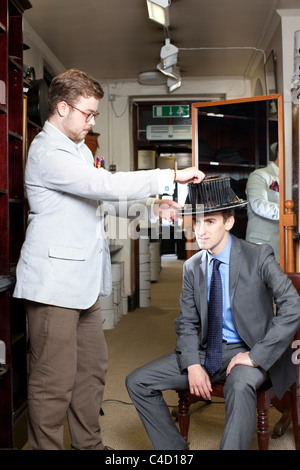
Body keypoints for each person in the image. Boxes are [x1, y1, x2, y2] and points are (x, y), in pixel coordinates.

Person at [13, 68, 205, 450]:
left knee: (91, 373)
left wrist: (155, 207)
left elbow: (100, 200)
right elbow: (102, 185)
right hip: (53, 286)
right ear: (62, 107)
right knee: (53, 381)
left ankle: (89, 445)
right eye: (87, 113)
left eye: (96, 114)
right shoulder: (47, 150)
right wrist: (169, 177)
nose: (92, 121)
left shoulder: (81, 150)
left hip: (83, 283)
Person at [126, 176, 300, 450]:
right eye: (196, 222)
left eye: (210, 221)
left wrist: (255, 356)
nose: (200, 230)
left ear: (229, 222)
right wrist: (193, 363)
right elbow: (186, 322)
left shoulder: (258, 256)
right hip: (209, 351)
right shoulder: (192, 266)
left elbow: (293, 304)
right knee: (137, 381)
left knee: (240, 385)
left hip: (251, 350)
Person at [245, 144, 279, 262]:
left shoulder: (293, 178)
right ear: (281, 153)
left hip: (286, 247)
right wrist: (291, 212)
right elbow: (259, 205)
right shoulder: (259, 175)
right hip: (261, 246)